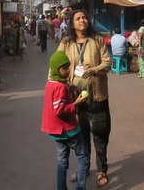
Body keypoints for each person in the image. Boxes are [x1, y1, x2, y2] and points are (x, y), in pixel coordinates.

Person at [58, 9, 111, 187]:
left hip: (97, 94)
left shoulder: (97, 40)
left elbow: (107, 62)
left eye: (84, 17)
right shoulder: (66, 43)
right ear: (72, 23)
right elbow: (57, 64)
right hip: (76, 97)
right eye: (78, 18)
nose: (83, 20)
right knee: (81, 135)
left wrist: (94, 70)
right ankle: (85, 168)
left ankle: (102, 170)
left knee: (100, 134)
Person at [41, 50, 89, 190]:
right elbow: (59, 110)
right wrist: (76, 103)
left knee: (62, 161)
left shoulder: (51, 83)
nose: (68, 71)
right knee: (83, 156)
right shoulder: (60, 87)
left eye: (68, 67)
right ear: (56, 69)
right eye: (64, 68)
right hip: (67, 129)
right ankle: (80, 187)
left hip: (55, 131)